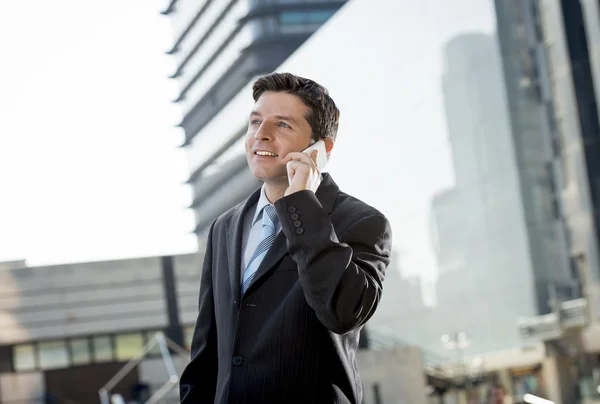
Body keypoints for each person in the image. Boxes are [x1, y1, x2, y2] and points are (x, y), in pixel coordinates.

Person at [179, 72, 392, 404]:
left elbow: (342, 312)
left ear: (321, 148)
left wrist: (301, 205)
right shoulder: (225, 227)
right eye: (254, 122)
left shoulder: (362, 222)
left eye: (282, 125)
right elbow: (206, 350)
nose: (260, 135)